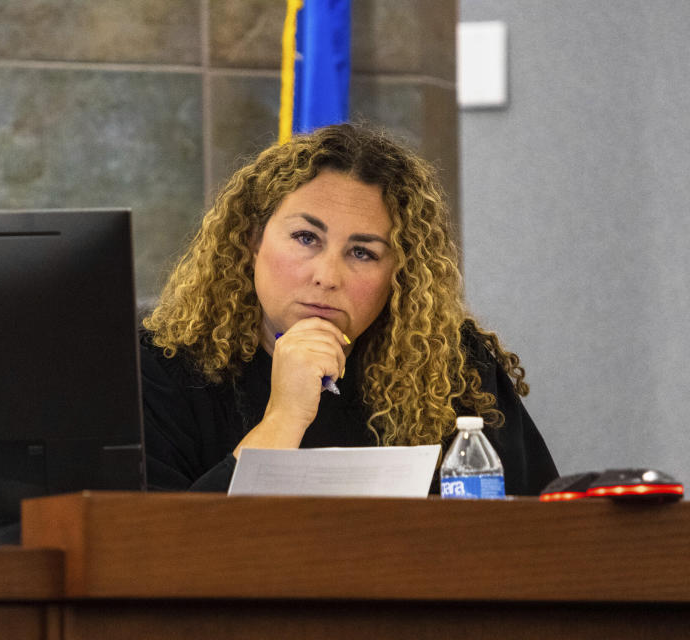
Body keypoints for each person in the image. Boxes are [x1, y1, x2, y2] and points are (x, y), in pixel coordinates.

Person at [140, 123, 557, 495]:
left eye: (362, 252)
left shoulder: (454, 368)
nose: (327, 275)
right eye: (306, 238)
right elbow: (149, 554)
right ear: (253, 241)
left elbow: (541, 536)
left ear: (400, 273)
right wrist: (285, 417)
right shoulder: (159, 367)